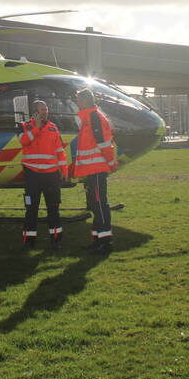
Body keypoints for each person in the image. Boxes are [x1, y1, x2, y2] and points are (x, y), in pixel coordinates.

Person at [72, 88, 118, 254]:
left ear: (85, 100)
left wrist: (111, 163)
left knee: (99, 204)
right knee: (95, 205)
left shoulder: (93, 117)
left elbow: (104, 143)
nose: (77, 102)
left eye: (78, 99)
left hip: (97, 169)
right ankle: (98, 240)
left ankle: (105, 243)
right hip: (92, 170)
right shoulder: (89, 117)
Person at [18, 100, 68, 249]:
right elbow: (24, 141)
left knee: (53, 208)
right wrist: (37, 129)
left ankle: (55, 239)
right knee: (31, 209)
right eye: (42, 110)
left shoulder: (53, 127)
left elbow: (60, 152)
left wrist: (64, 170)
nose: (45, 112)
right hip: (32, 174)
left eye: (46, 110)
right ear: (34, 112)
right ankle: (29, 240)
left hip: (51, 175)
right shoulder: (24, 126)